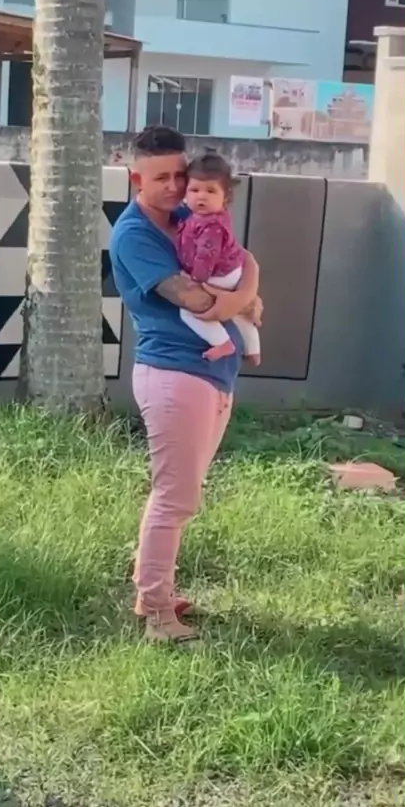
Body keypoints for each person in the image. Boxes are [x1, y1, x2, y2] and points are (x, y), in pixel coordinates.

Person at [109, 125, 261, 642]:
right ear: (136, 179)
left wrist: (246, 286)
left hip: (210, 374)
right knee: (175, 498)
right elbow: (197, 301)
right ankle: (157, 614)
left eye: (180, 175)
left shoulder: (184, 215)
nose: (176, 186)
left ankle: (151, 591)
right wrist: (246, 298)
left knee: (181, 494)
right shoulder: (134, 235)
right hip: (174, 375)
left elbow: (243, 260)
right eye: (161, 178)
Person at [176, 151, 262, 365]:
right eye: (194, 190)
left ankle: (222, 342)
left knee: (189, 311)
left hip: (218, 274)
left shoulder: (211, 225)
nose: (201, 197)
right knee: (239, 312)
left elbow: (206, 255)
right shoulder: (201, 217)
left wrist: (196, 280)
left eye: (210, 191)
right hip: (230, 270)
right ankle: (253, 350)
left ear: (226, 196)